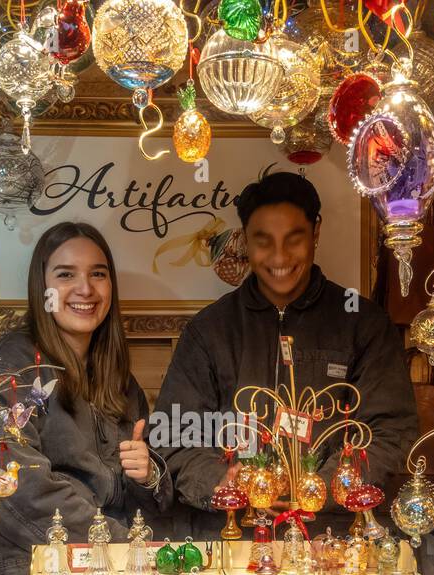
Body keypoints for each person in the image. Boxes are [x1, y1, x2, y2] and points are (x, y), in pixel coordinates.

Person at [154, 171, 418, 537]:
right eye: (263, 241)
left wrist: (319, 488)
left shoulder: (363, 322)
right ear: (245, 239)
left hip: (335, 536)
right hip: (233, 537)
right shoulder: (209, 330)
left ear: (316, 232)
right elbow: (174, 437)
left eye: (294, 239)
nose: (279, 257)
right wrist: (229, 484)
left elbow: (390, 431)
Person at [0, 221, 171, 575]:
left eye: (98, 274)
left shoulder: (118, 380)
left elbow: (142, 502)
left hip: (101, 569)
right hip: (19, 572)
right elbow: (18, 489)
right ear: (43, 289)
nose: (85, 288)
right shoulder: (8, 369)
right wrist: (128, 547)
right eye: (66, 274)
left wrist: (148, 475)